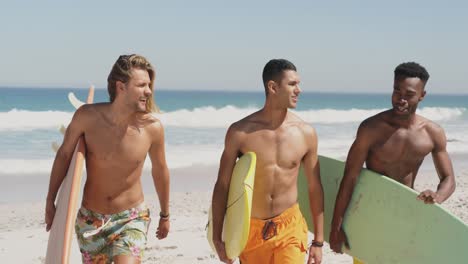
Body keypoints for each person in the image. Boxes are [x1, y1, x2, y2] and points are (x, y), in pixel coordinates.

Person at [45, 54, 170, 263]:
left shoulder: (152, 128)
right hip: (90, 220)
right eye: (141, 85)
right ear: (121, 87)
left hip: (131, 217)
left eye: (149, 85)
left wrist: (165, 215)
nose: (148, 91)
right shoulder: (87, 117)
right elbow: (65, 155)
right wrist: (50, 200)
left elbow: (160, 170)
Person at [329, 62, 456, 260]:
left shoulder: (432, 134)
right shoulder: (371, 129)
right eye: (397, 91)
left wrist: (438, 196)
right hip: (369, 214)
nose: (401, 99)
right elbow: (350, 177)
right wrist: (336, 226)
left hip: (405, 214)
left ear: (422, 95)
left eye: (409, 94)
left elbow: (448, 178)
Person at [211, 59, 324, 264]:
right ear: (272, 87)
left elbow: (315, 187)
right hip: (251, 229)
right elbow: (222, 185)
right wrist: (217, 236)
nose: (299, 90)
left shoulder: (306, 133)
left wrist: (318, 241)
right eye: (292, 84)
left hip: (289, 226)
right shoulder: (240, 132)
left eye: (298, 83)